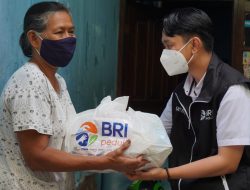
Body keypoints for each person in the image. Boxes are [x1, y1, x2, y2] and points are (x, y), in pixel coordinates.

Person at [0, 2, 147, 190]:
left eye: (71, 31)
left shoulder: (58, 81)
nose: (68, 39)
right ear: (34, 39)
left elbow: (69, 140)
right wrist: (105, 162)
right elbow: (37, 157)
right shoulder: (30, 81)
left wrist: (118, 155)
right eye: (59, 32)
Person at [126, 7, 250, 190]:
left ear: (194, 45)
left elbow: (227, 162)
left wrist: (166, 173)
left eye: (169, 45)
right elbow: (156, 134)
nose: (165, 53)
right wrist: (124, 154)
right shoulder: (180, 92)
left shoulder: (232, 90)